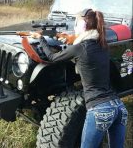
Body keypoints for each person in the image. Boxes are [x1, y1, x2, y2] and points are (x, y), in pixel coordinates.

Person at [31, 9, 128, 148]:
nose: (74, 27)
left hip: (99, 109)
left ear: (82, 26)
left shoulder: (79, 48)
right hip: (119, 107)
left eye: (76, 24)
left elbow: (52, 58)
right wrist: (68, 39)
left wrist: (41, 39)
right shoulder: (103, 45)